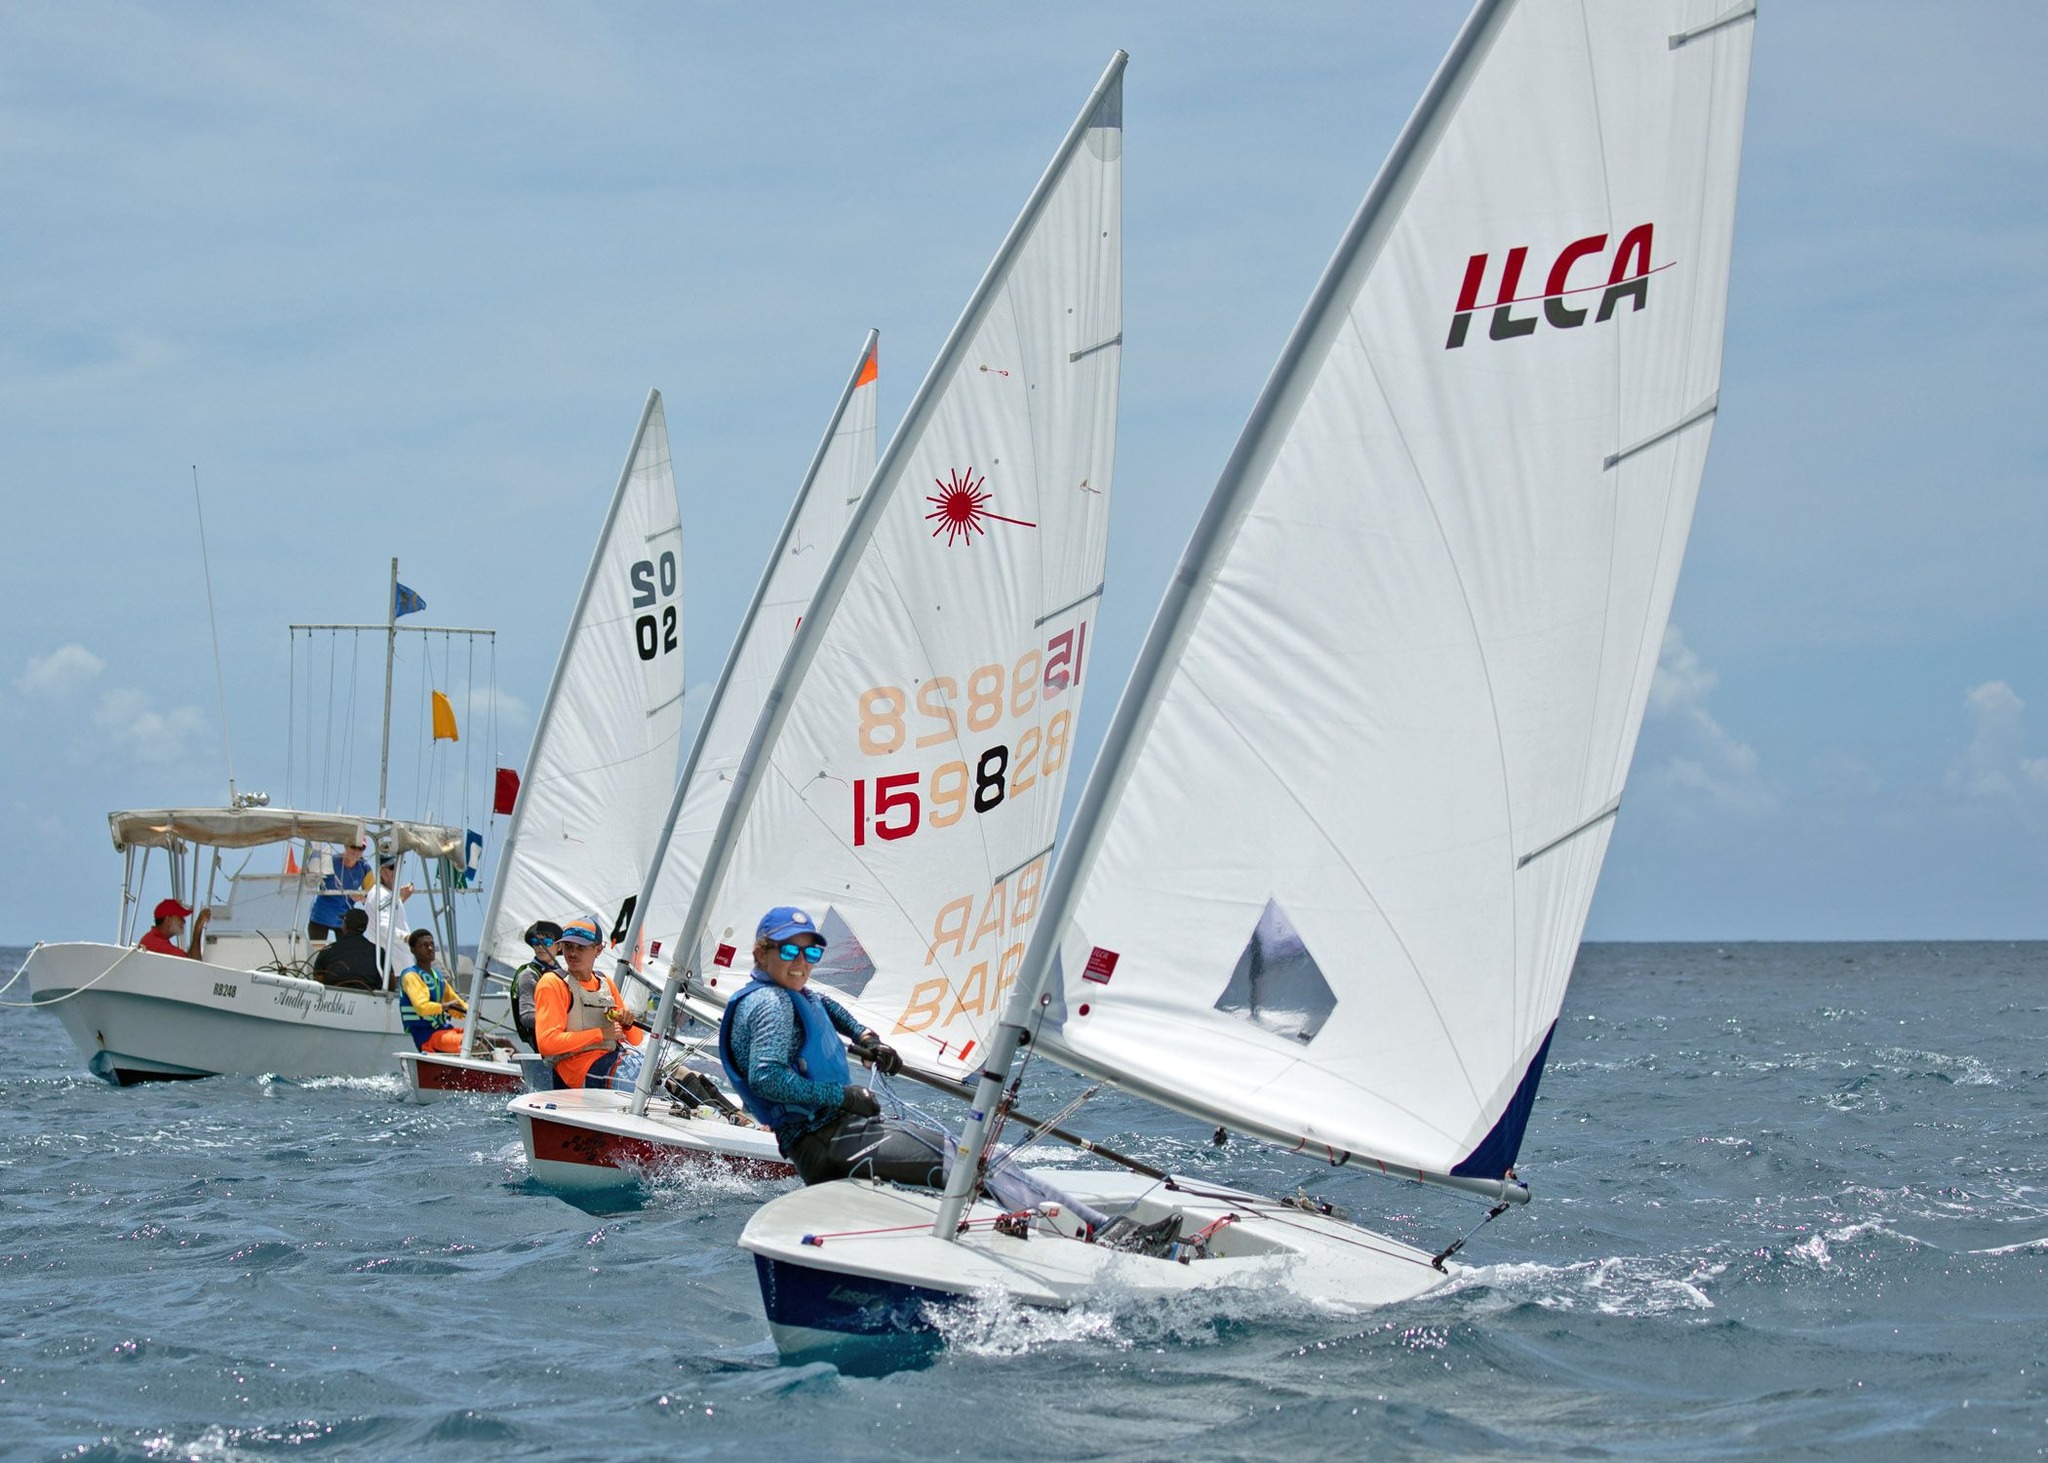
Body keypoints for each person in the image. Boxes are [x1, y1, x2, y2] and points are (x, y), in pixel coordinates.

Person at [717, 906, 944, 1186]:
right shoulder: (770, 1004)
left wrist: (865, 1037)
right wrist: (844, 1097)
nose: (801, 961)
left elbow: (824, 1005)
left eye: (811, 953)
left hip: (830, 1137)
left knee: (959, 1159)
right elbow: (767, 1078)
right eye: (789, 951)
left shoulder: (789, 994)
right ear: (762, 954)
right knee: (963, 1163)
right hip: (823, 1140)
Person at [533, 915, 645, 1089]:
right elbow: (547, 1044)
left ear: (598, 950)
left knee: (677, 1075)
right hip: (577, 1072)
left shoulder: (606, 982)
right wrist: (601, 1034)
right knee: (643, 1083)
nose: (572, 953)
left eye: (581, 947)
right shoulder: (552, 983)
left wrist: (628, 1024)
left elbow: (636, 1040)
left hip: (612, 1060)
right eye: (568, 946)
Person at [398, 927, 469, 1053]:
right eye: (424, 945)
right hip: (427, 1037)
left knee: (496, 1041)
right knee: (472, 1044)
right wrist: (446, 1006)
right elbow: (422, 1007)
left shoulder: (438, 977)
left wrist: (470, 1012)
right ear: (413, 950)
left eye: (431, 944)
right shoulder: (410, 976)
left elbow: (457, 1003)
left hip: (444, 1031)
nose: (430, 948)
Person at [361, 855, 417, 985]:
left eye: (398, 867)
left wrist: (400, 898)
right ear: (382, 871)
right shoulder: (383, 895)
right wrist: (407, 937)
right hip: (396, 969)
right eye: (392, 867)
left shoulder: (381, 893)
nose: (396, 871)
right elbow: (383, 927)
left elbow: (386, 914)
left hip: (395, 967)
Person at [307, 837, 372, 943]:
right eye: (353, 847)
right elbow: (311, 881)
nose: (356, 851)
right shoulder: (330, 861)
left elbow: (372, 893)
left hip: (344, 921)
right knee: (316, 955)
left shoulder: (364, 868)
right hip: (321, 916)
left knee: (345, 956)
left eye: (361, 848)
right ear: (345, 846)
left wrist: (361, 896)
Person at [511, 919, 563, 1048]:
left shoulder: (564, 974)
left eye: (547, 942)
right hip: (548, 1045)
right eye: (536, 942)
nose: (541, 947)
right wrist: (562, 1021)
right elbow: (527, 1017)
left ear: (559, 946)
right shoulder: (528, 975)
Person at [310, 908, 382, 989]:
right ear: (365, 928)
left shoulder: (327, 950)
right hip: (371, 997)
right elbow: (391, 982)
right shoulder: (379, 952)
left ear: (345, 925)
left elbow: (318, 982)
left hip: (334, 999)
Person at [138, 898, 210, 959]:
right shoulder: (158, 945)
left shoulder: (153, 939)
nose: (184, 921)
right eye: (180, 917)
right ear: (168, 920)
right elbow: (193, 964)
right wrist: (198, 927)